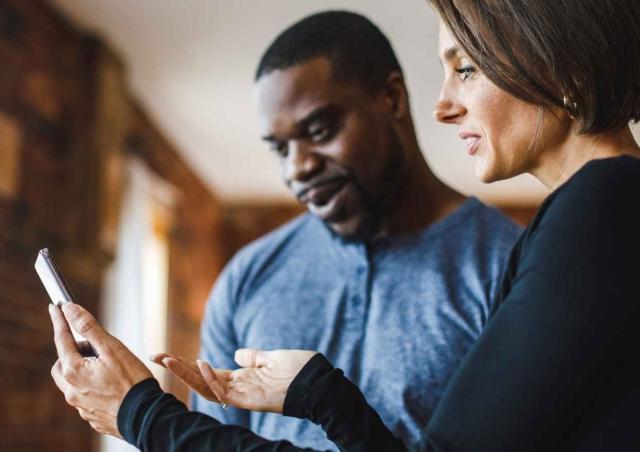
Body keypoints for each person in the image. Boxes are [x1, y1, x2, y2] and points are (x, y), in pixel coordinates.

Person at [48, 0, 640, 450]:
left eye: (466, 70)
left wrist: (141, 414)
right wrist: (320, 394)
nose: (444, 105)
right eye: (279, 148)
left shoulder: (599, 211)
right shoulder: (247, 276)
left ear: (561, 71)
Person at [155, 10, 518, 450]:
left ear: (393, 99)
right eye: (280, 148)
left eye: (320, 130)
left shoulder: (509, 266)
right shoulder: (246, 278)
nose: (297, 167)